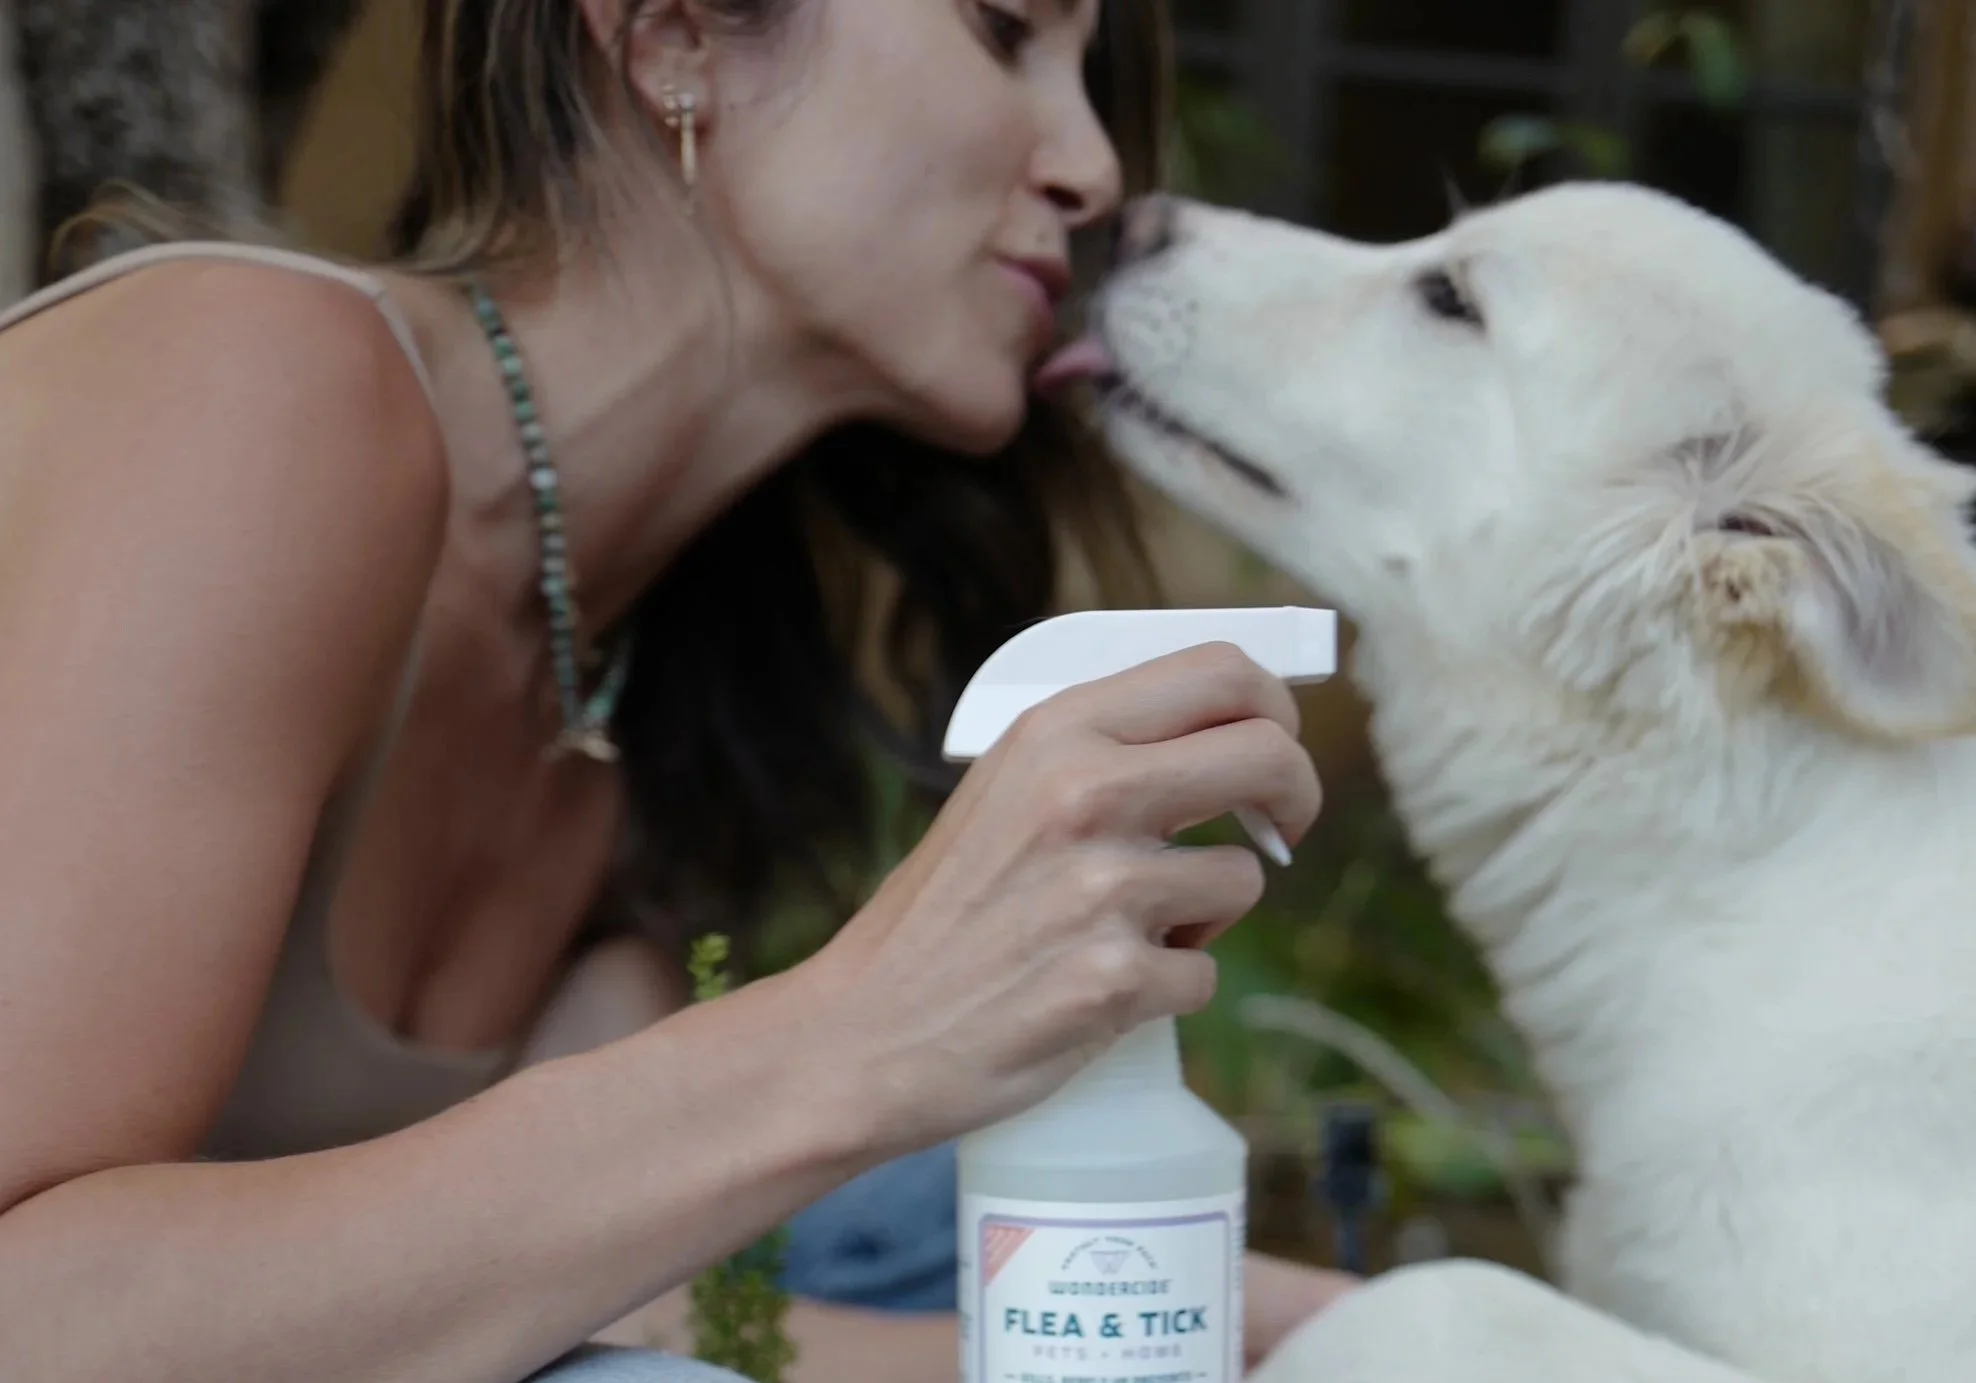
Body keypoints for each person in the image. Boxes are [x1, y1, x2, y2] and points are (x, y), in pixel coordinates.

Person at [0, 1, 1356, 1379]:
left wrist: (1302, 1330)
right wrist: (867, 1029)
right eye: (1004, 32)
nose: (1095, 169)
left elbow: (642, 1312)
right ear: (674, 39)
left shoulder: (639, 670)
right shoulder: (248, 388)